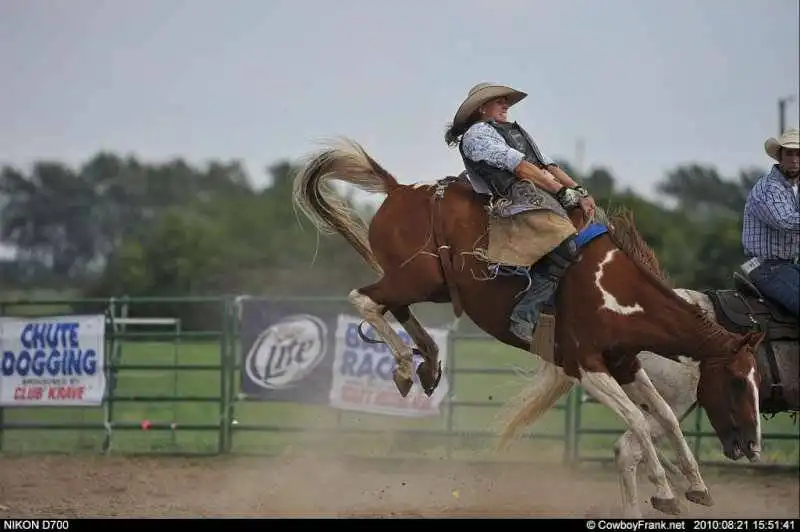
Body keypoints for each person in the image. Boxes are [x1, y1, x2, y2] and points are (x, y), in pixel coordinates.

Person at [445, 82, 597, 343]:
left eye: (506, 101)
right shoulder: (477, 134)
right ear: (482, 108)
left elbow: (547, 164)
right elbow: (519, 167)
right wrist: (560, 191)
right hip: (515, 197)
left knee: (592, 238)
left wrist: (580, 192)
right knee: (567, 246)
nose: (505, 105)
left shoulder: (514, 131)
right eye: (499, 101)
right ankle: (525, 316)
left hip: (539, 190)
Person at [741, 127, 800, 317]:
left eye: (799, 154)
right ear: (779, 157)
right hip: (766, 268)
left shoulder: (791, 189)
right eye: (789, 153)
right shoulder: (769, 188)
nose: (794, 159)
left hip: (785, 266)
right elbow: (785, 221)